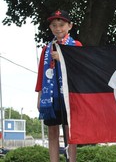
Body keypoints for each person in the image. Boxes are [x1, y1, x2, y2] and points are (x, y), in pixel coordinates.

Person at [35, 10, 82, 162]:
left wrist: (62, 58)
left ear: (70, 26)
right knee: (52, 131)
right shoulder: (46, 49)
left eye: (61, 25)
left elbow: (81, 69)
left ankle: (72, 159)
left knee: (70, 131)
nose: (58, 28)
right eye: (54, 25)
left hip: (70, 95)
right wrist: (40, 96)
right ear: (50, 28)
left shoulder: (76, 45)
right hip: (51, 95)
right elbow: (41, 74)